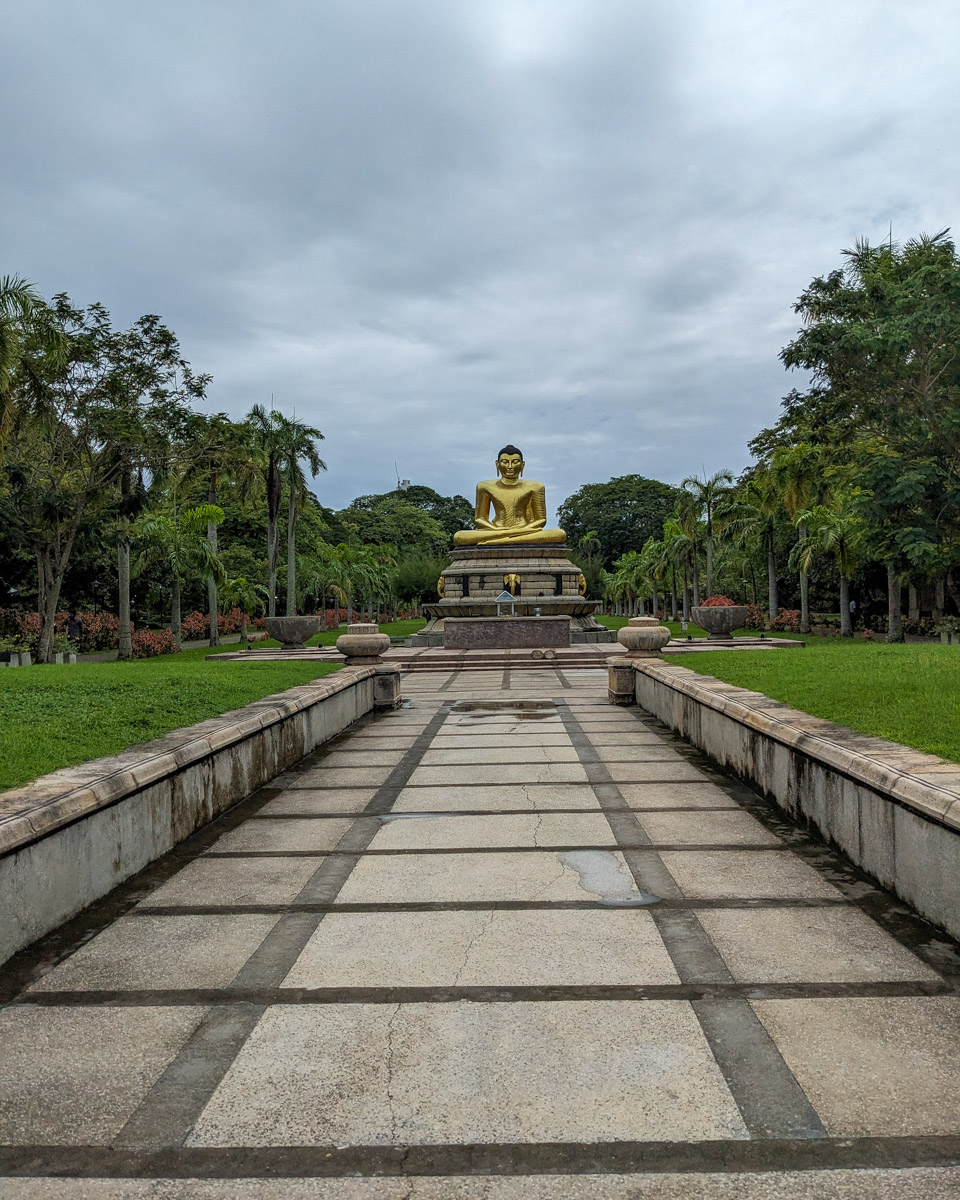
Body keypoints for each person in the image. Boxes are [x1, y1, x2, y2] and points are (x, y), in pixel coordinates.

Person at [452, 445, 567, 546]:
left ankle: (500, 541)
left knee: (560, 534)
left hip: (524, 530)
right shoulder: (484, 486)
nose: (510, 466)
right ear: (497, 464)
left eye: (515, 462)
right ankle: (511, 539)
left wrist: (521, 530)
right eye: (505, 462)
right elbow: (479, 519)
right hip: (496, 530)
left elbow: (541, 519)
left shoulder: (536, 487)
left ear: (522, 465)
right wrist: (498, 530)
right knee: (459, 537)